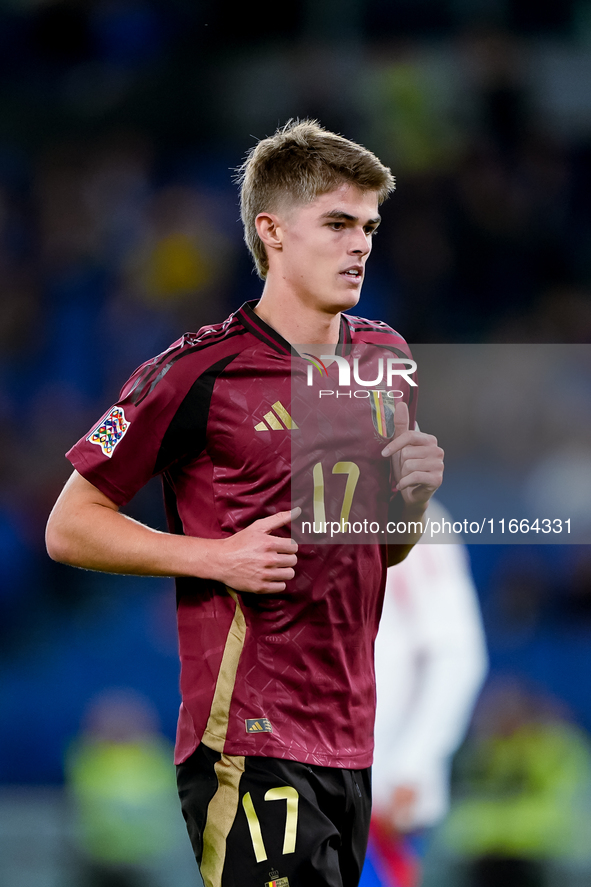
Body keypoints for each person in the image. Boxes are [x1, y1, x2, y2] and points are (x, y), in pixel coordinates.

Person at [46, 120, 444, 887]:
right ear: (272, 231)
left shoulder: (387, 360)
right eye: (336, 224)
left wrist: (413, 498)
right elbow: (68, 526)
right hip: (248, 735)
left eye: (367, 226)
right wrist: (214, 555)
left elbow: (383, 545)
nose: (359, 244)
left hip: (352, 736)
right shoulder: (196, 372)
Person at [360, 501, 488, 887]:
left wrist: (413, 763)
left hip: (380, 788)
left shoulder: (409, 515)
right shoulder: (298, 509)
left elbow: (457, 657)